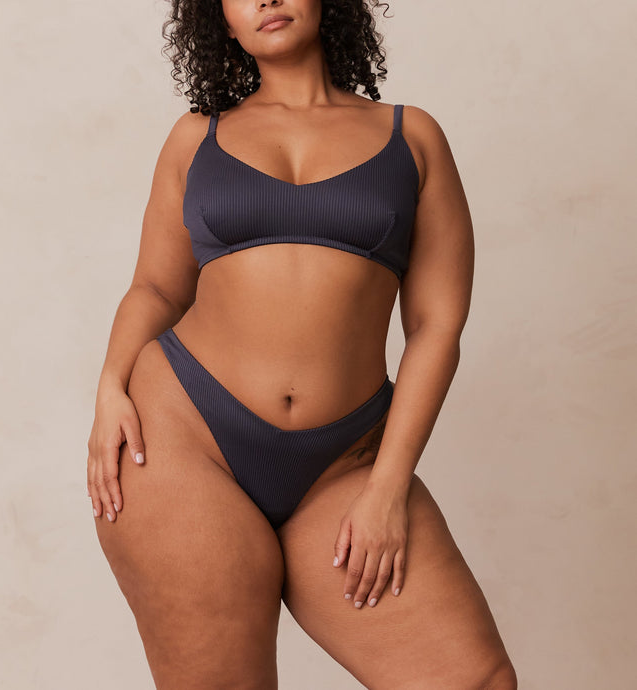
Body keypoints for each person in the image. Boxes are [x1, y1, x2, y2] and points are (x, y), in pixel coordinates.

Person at [86, 0, 517, 687]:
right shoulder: (195, 139)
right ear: (221, 21)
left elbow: (437, 326)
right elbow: (157, 289)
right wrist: (110, 386)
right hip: (185, 440)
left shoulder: (412, 137)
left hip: (345, 462)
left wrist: (387, 486)